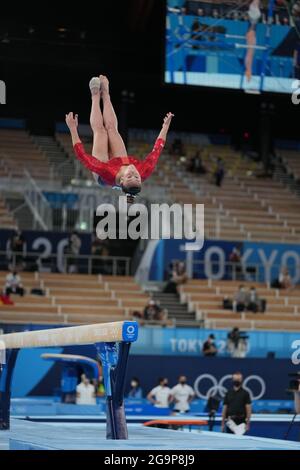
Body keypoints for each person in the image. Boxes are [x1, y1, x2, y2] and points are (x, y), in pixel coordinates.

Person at [66, 75, 174, 203]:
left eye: (130, 176)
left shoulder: (106, 172)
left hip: (104, 175)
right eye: (137, 177)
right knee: (112, 129)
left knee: (100, 132)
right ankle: (105, 94)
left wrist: (73, 129)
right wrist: (165, 127)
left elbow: (82, 155)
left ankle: (95, 95)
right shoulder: (144, 170)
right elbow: (157, 150)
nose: (134, 171)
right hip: (121, 163)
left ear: (122, 180)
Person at [245, 0, 261, 81]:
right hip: (251, 31)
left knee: (250, 54)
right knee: (250, 54)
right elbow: (253, 20)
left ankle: (248, 71)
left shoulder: (255, 5)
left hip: (251, 31)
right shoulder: (253, 5)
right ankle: (248, 71)